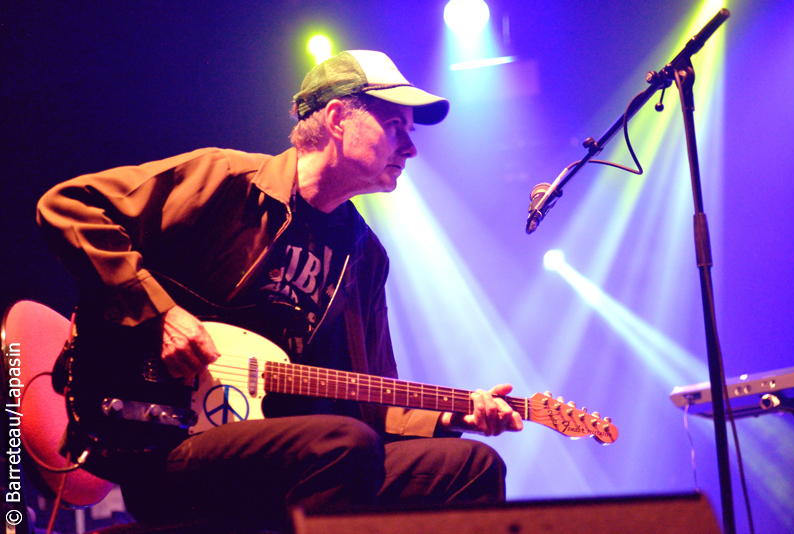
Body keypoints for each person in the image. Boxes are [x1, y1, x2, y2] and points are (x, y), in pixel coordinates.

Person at [37, 50, 523, 532]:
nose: (411, 148)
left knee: (470, 466)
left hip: (295, 457)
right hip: (165, 441)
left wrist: (452, 415)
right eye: (396, 125)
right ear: (337, 118)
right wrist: (159, 314)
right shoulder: (226, 180)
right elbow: (68, 206)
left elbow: (371, 392)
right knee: (342, 444)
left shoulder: (365, 256)